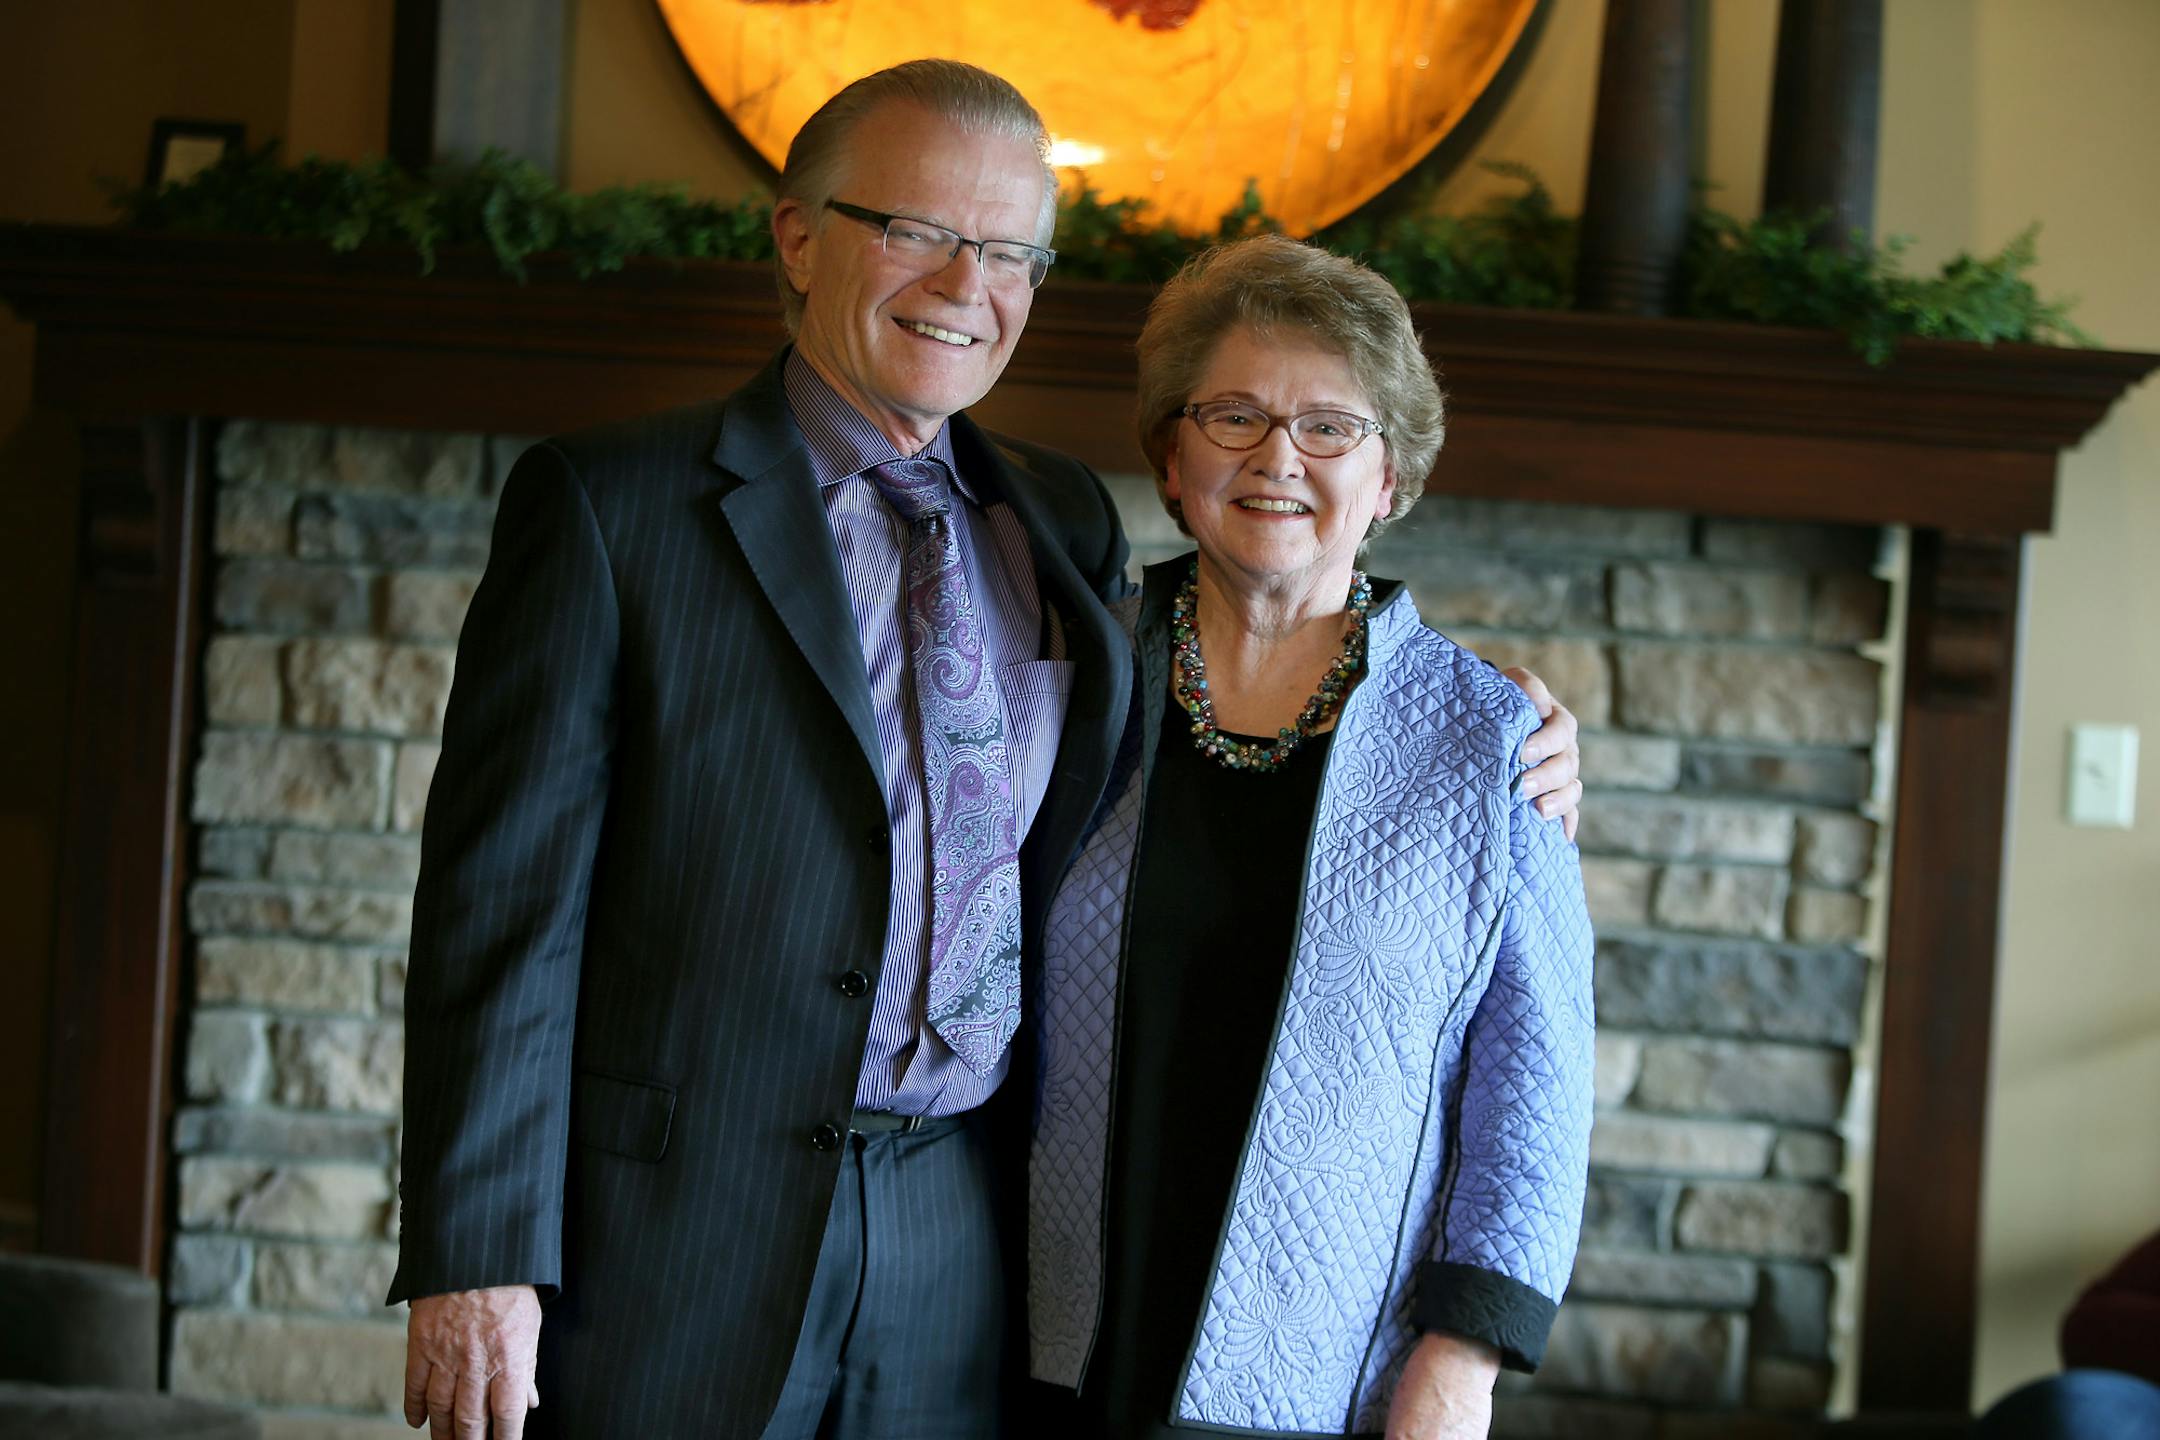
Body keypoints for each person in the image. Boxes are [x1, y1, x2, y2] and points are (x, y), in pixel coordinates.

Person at [387, 62, 1583, 1440]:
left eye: (1010, 250)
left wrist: (1499, 716)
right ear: (795, 233)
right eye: (914, 229)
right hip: (675, 1235)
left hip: (962, 1236)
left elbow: (1517, 1044)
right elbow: (498, 913)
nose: (965, 283)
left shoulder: (1058, 531)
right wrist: (478, 1254)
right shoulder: (613, 510)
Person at [1025, 236, 1596, 1440]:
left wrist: (1464, 1357)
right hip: (1045, 1330)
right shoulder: (1065, 684)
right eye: (1232, 415)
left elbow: (1536, 1084)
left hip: (1328, 1361)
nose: (1278, 456)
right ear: (1173, 461)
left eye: (1331, 427)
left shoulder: (1489, 739)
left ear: (1389, 480)